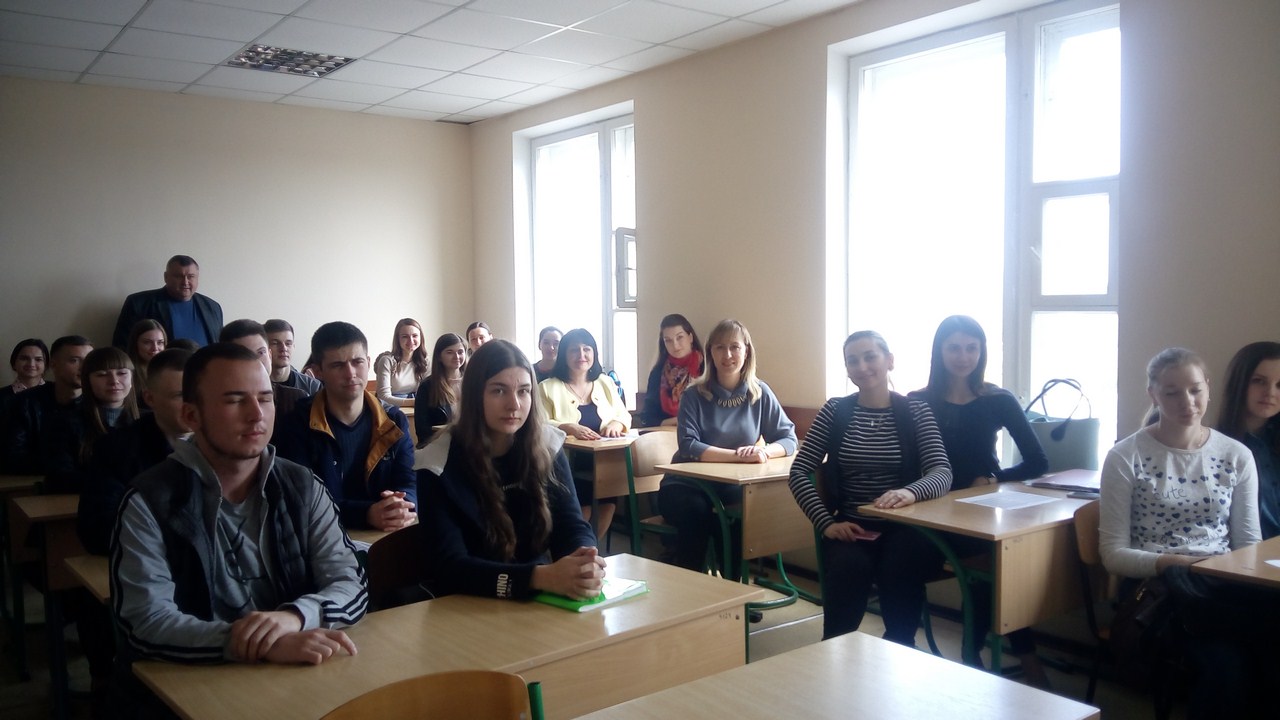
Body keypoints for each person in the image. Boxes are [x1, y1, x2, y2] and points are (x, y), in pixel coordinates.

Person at [110, 343, 365, 714]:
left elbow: (350, 584)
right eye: (234, 400)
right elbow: (145, 622)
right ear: (191, 415)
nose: (256, 415)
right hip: (191, 691)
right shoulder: (150, 500)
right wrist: (258, 644)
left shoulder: (302, 486)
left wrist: (295, 617)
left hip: (297, 678)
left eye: (265, 398)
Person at [1100, 347, 1268, 720]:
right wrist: (1177, 563)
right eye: (1172, 392)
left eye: (1195, 390)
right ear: (1153, 394)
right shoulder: (1126, 455)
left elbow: (1249, 546)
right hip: (1159, 589)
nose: (1187, 402)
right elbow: (1113, 554)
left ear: (1207, 387)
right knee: (1227, 668)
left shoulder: (1236, 455)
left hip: (1219, 583)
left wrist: (1217, 569)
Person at [787, 330, 951, 646]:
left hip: (904, 527)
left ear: (890, 361)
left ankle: (900, 647)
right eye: (853, 361)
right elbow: (799, 472)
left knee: (902, 563)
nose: (862, 367)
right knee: (849, 566)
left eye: (870, 357)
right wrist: (827, 524)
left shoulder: (916, 411)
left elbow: (942, 472)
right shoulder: (835, 410)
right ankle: (834, 648)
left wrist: (911, 492)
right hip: (851, 527)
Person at [908, 315, 1048, 681]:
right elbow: (907, 462)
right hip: (933, 511)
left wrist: (992, 479)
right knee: (991, 568)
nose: (963, 357)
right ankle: (1000, 657)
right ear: (939, 351)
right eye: (954, 348)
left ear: (982, 352)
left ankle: (978, 653)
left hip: (984, 509)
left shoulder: (997, 399)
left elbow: (1038, 461)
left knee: (1005, 561)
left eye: (972, 348)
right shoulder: (917, 401)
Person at [414, 339, 602, 600]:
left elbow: (571, 525)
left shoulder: (547, 446)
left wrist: (584, 559)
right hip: (466, 604)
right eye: (499, 391)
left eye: (524, 391)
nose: (514, 404)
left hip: (537, 597)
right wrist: (540, 577)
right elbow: (450, 568)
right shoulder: (437, 463)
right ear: (475, 395)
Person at [659, 319, 797, 573]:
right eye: (720, 347)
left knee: (741, 515)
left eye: (735, 347)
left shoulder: (759, 393)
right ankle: (693, 587)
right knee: (699, 513)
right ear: (710, 352)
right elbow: (689, 446)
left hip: (731, 486)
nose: (728, 355)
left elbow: (789, 439)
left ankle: (733, 590)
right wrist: (738, 456)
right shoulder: (693, 394)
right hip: (685, 486)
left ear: (747, 351)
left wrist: (763, 452)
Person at [275, 322, 417, 532]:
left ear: (368, 362)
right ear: (318, 371)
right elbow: (303, 499)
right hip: (321, 537)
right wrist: (366, 514)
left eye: (357, 362)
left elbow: (409, 479)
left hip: (385, 533)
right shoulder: (297, 424)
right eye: (337, 365)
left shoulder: (393, 421)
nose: (351, 374)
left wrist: (402, 505)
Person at [79, 348, 191, 556]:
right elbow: (98, 530)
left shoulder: (226, 443)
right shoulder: (116, 449)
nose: (194, 405)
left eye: (202, 395)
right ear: (150, 398)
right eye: (180, 396)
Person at [538, 328, 631, 537]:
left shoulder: (605, 382)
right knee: (583, 506)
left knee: (608, 500)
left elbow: (623, 415)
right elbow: (539, 423)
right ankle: (576, 544)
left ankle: (592, 547)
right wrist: (567, 427)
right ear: (564, 355)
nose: (581, 355)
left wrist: (616, 423)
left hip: (604, 458)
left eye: (587, 349)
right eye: (574, 350)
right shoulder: (547, 387)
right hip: (566, 461)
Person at [1217, 341, 1280, 539]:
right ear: (1240, 382)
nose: (1270, 392)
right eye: (1259, 381)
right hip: (1246, 552)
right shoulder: (1215, 448)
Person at [3, 335, 93, 474]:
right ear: (53, 364)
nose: (84, 367)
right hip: (35, 481)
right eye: (74, 360)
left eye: (89, 361)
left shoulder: (99, 403)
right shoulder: (24, 402)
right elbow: (12, 456)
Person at [112, 254, 224, 348]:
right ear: (166, 277)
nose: (185, 282)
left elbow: (220, 346)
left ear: (197, 278)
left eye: (191, 276)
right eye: (178, 276)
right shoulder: (138, 304)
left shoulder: (213, 307)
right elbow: (122, 347)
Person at [220, 319, 307, 424]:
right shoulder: (221, 405)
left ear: (269, 355)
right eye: (245, 355)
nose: (256, 362)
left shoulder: (297, 400)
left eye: (261, 352)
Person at [640, 313, 704, 427]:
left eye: (679, 337)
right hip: (665, 433)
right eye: (668, 340)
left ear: (690, 337)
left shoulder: (706, 368)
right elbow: (647, 417)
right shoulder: (657, 372)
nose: (675, 345)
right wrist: (677, 421)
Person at [413, 333, 467, 446]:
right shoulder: (427, 386)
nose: (456, 357)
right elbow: (422, 430)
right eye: (449, 352)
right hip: (439, 445)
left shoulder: (474, 381)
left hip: (470, 444)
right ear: (439, 356)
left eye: (460, 352)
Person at [374, 318, 429, 408]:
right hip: (391, 407)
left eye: (415, 336)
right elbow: (383, 397)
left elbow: (429, 392)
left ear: (421, 338)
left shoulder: (425, 361)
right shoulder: (387, 361)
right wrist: (416, 402)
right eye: (405, 336)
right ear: (397, 339)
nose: (411, 341)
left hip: (417, 406)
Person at [0, 338, 47, 434]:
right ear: (14, 363)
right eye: (24, 358)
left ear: (46, 365)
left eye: (38, 359)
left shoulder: (58, 393)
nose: (31, 364)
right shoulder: (2, 396)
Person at [264, 319, 322, 395]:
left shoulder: (313, 387)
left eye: (288, 343)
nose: (284, 348)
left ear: (293, 347)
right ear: (264, 348)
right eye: (275, 343)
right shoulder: (253, 385)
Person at [126, 318, 166, 406]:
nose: (155, 348)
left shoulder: (169, 371)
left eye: (160, 342)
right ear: (135, 344)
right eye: (147, 342)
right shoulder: (127, 374)